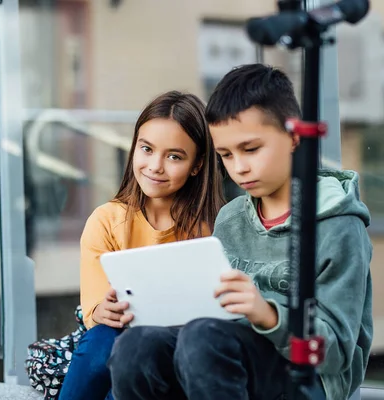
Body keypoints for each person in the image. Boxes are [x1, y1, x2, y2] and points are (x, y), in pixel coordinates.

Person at [108, 64, 373, 400]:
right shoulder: (231, 217)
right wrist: (144, 303)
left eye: (250, 150)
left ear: (293, 137)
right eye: (226, 155)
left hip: (308, 381)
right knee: (136, 346)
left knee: (205, 340)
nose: (239, 167)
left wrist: (266, 314)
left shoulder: (338, 225)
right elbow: (209, 318)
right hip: (226, 361)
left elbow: (334, 353)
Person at [58, 90, 226, 400]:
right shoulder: (106, 221)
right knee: (103, 344)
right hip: (115, 343)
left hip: (181, 350)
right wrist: (104, 310)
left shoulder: (216, 229)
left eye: (174, 156)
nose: (155, 166)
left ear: (198, 165)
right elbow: (94, 314)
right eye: (146, 149)